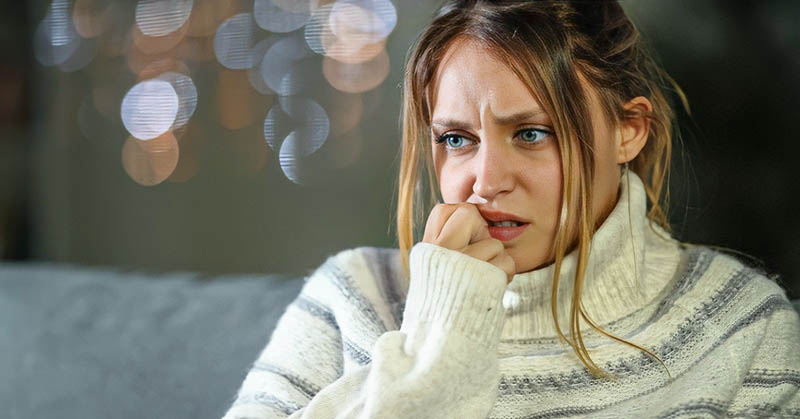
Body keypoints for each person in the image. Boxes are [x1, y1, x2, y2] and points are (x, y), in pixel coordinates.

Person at [222, 1, 800, 418]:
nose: (486, 182)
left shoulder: (742, 324)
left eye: (530, 133)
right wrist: (440, 333)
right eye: (455, 139)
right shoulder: (352, 297)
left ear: (629, 130)